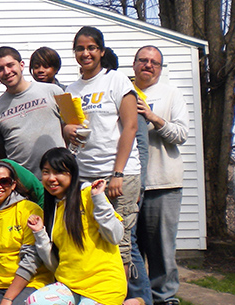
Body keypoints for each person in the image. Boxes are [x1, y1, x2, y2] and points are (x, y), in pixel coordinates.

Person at [63, 26, 141, 278]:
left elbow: (130, 126)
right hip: (85, 177)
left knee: (120, 243)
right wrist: (67, 130)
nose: (86, 53)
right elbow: (70, 133)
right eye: (80, 48)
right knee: (95, 241)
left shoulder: (116, 80)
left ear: (101, 51)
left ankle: (129, 296)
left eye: (91, 48)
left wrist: (117, 173)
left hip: (118, 175)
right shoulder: (70, 90)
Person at [26, 147, 126, 305]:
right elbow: (53, 264)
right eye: (46, 172)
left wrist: (99, 199)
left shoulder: (88, 195)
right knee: (35, 301)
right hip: (70, 285)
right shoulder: (52, 209)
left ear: (72, 174)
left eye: (59, 172)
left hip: (103, 287)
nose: (51, 178)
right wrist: (40, 233)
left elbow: (115, 236)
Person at [133, 46, 189, 305]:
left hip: (162, 183)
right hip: (131, 184)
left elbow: (181, 134)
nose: (148, 65)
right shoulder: (124, 92)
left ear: (160, 67)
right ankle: (138, 297)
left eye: (154, 62)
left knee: (161, 250)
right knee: (131, 248)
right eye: (143, 60)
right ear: (133, 65)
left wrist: (153, 117)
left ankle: (164, 298)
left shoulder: (171, 94)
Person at [0, 161, 52, 305]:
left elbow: (31, 259)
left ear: (13, 185)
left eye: (4, 181)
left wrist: (8, 299)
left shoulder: (29, 210)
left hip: (31, 283)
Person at [0, 46, 65, 174]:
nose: (7, 72)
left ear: (21, 65)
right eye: (0, 69)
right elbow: (0, 153)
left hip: (57, 175)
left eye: (10, 65)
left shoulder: (53, 91)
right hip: (23, 183)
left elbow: (70, 129)